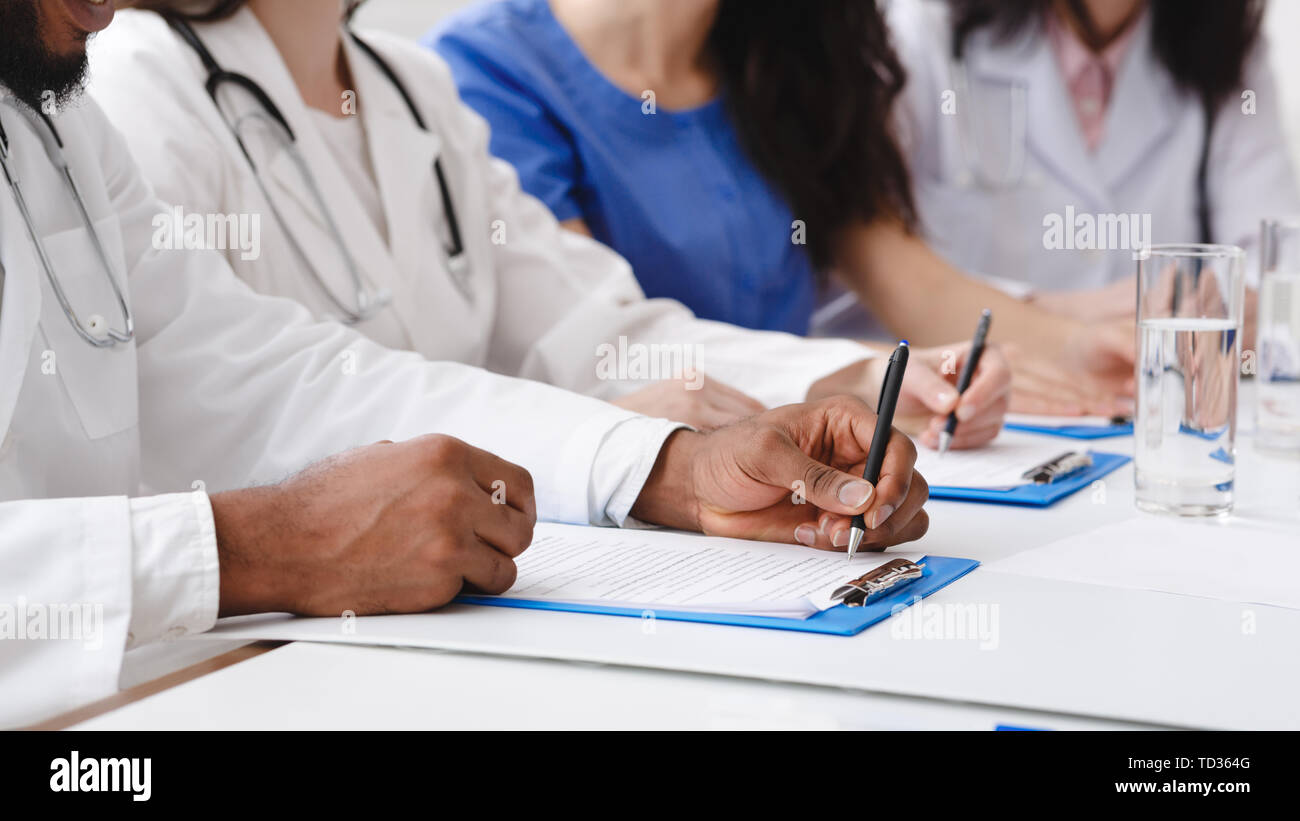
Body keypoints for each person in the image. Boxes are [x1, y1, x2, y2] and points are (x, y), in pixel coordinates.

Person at [0, 0, 929, 726]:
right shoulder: (132, 81)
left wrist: (671, 468)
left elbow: (274, 373)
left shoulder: (56, 119)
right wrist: (252, 548)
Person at [87, 0, 1011, 449]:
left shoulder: (413, 90)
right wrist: (598, 432)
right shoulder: (139, 87)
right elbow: (211, 428)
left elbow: (599, 332)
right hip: (261, 644)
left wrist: (845, 374)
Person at [427, 0, 1136, 416]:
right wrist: (872, 373)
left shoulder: (785, 54)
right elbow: (600, 349)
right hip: (649, 509)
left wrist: (1076, 349)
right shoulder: (483, 75)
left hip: (823, 469)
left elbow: (912, 282)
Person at [872, 0, 1299, 347]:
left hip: (1128, 411)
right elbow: (857, 281)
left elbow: (1282, 263)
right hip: (959, 417)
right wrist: (1065, 317)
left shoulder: (1225, 48)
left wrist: (1227, 304)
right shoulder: (922, 30)